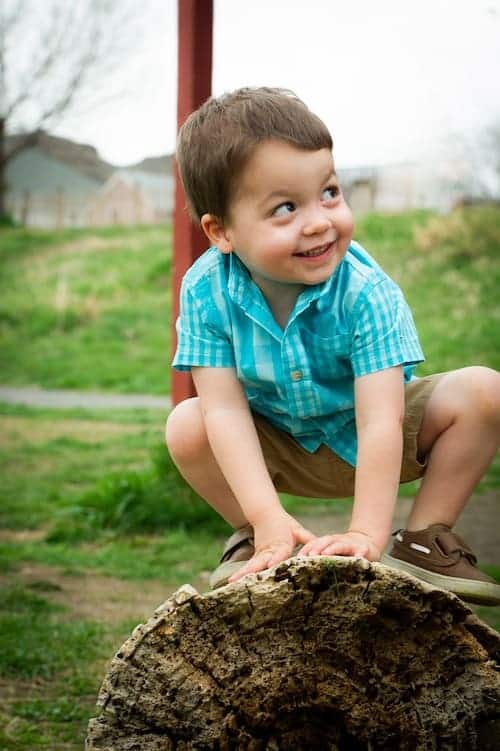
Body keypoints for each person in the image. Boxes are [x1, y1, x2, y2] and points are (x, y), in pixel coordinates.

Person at [166, 87, 500, 605]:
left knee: (484, 391)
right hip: (277, 440)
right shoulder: (205, 291)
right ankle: (261, 535)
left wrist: (365, 533)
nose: (320, 220)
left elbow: (380, 420)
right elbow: (226, 414)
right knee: (188, 425)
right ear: (221, 231)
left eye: (329, 192)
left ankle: (424, 541)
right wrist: (267, 515)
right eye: (284, 208)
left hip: (374, 434)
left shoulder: (365, 292)